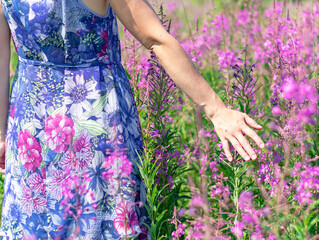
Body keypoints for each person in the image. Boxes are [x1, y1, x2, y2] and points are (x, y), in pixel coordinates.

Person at [0, 0, 265, 239]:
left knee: (36, 225)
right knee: (106, 223)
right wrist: (217, 110)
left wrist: (1, 136)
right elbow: (155, 38)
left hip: (32, 131)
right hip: (99, 120)